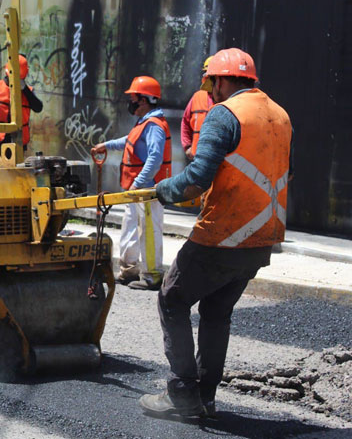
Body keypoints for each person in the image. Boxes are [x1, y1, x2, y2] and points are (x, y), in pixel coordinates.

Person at [138, 48, 292, 418]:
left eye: (211, 85)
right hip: (262, 237)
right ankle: (204, 398)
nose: (210, 93)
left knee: (172, 298)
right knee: (216, 310)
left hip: (222, 235)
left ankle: (182, 395)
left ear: (221, 81)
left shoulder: (224, 115)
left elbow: (196, 178)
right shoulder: (280, 115)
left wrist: (162, 190)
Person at [91, 76, 171, 291]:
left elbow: (155, 158)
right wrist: (106, 146)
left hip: (147, 189)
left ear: (144, 100)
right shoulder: (145, 123)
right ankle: (129, 270)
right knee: (130, 227)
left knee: (149, 232)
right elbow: (129, 141)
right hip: (137, 189)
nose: (131, 102)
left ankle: (153, 276)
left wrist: (138, 183)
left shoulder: (154, 126)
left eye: (133, 98)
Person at [0, 54, 43, 158]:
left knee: (17, 168)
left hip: (19, 143)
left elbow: (38, 107)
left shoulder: (28, 93)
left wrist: (25, 89)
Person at [180, 56, 214, 161]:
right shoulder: (197, 97)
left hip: (219, 160)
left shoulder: (229, 99)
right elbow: (185, 122)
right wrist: (187, 147)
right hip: (196, 159)